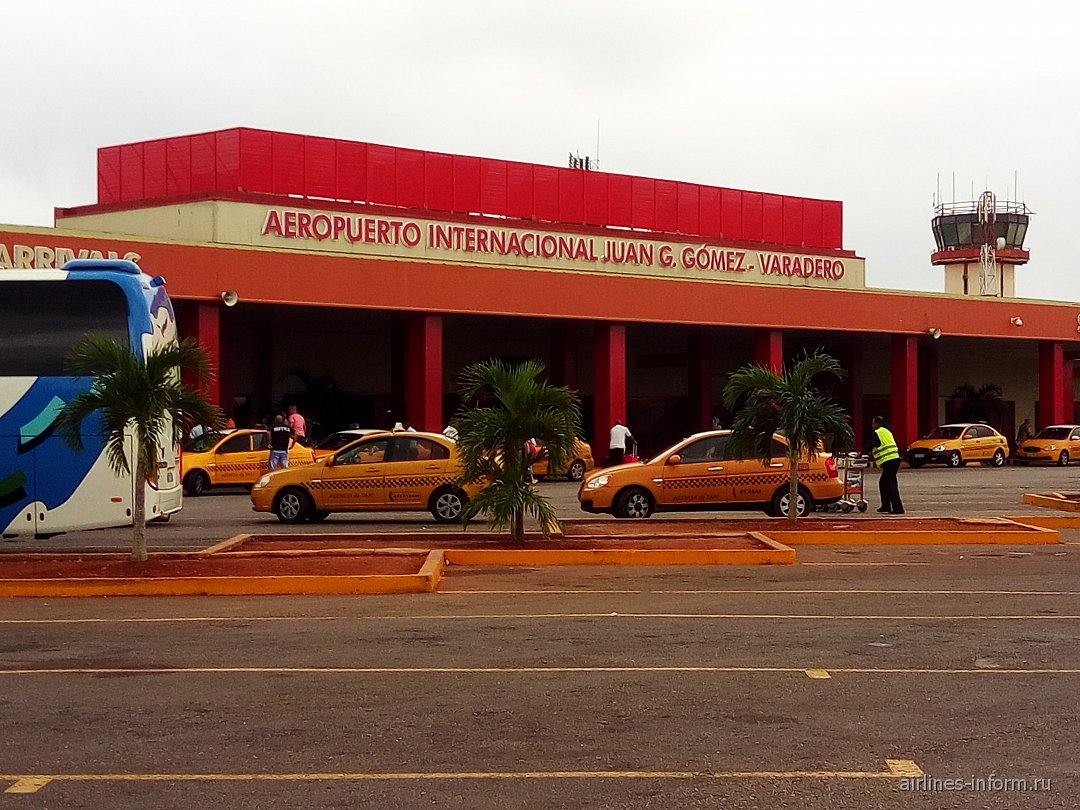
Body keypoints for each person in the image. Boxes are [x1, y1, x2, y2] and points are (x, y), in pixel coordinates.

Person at [867, 415, 904, 515]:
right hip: (894, 459)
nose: (872, 425)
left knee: (890, 484)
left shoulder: (878, 432)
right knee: (884, 483)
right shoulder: (887, 431)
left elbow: (872, 443)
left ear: (876, 423)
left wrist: (862, 452)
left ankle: (898, 508)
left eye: (873, 423)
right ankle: (886, 505)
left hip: (889, 461)